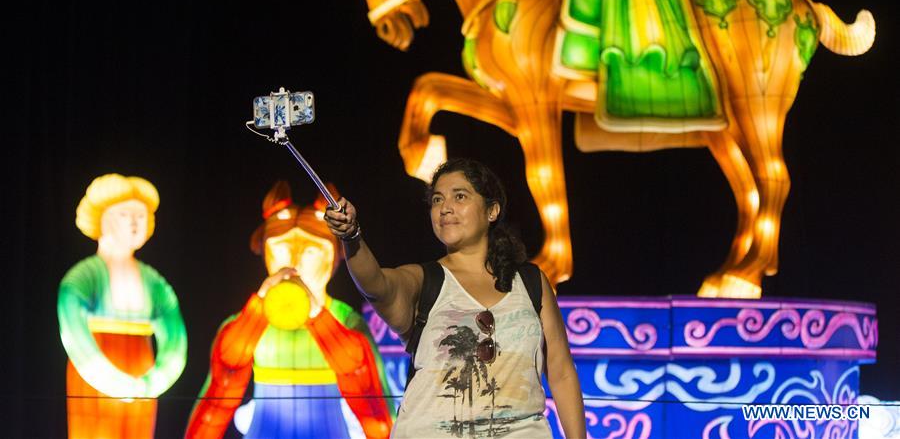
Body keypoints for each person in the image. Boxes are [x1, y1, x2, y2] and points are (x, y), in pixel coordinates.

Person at [324, 158, 586, 438]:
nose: (445, 208)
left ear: (492, 210)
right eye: (437, 199)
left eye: (459, 196)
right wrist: (351, 236)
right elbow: (376, 283)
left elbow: (561, 372)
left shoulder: (531, 282)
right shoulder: (424, 281)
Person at [185, 181, 394, 439]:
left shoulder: (344, 318)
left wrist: (319, 318)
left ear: (334, 255)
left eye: (311, 251)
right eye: (281, 249)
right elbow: (220, 389)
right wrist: (257, 310)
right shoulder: (252, 316)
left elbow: (370, 396)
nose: (295, 262)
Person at [58, 174, 187, 439]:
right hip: (95, 377)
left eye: (140, 216)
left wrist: (155, 381)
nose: (134, 223)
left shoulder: (154, 282)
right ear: (103, 220)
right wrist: (112, 381)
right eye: (124, 214)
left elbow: (175, 338)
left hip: (142, 372)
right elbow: (75, 332)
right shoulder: (83, 277)